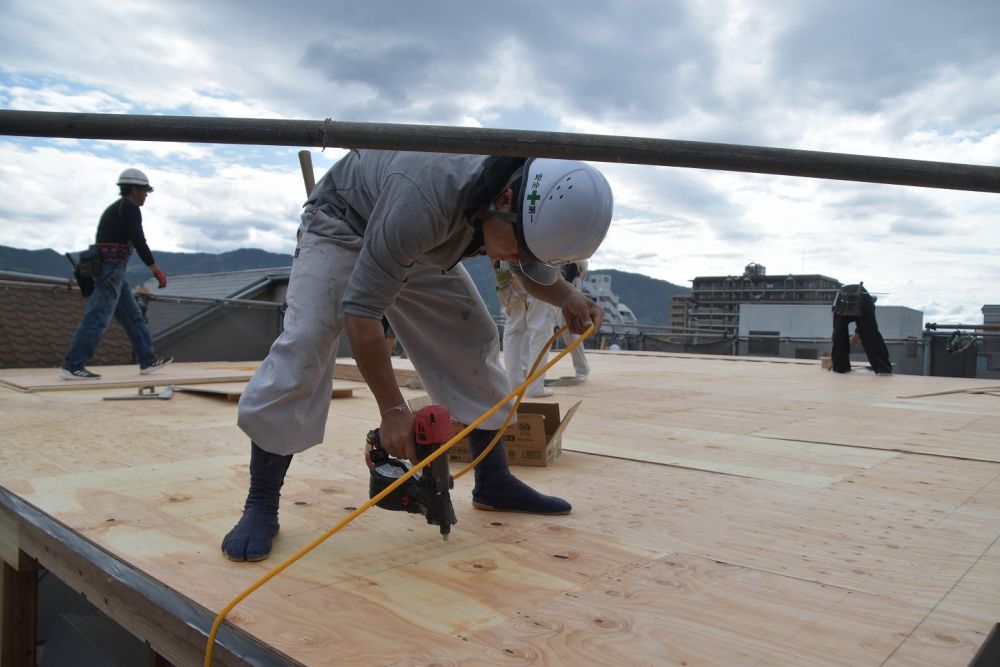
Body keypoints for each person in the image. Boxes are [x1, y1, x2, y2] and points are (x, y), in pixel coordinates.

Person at [222, 151, 613, 562]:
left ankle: (493, 481)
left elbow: (529, 265)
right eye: (520, 249)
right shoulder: (424, 201)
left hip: (422, 239)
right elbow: (362, 313)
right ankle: (261, 503)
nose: (519, 261)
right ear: (504, 199)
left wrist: (569, 295)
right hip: (345, 223)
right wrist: (393, 410)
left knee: (472, 339)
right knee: (306, 342)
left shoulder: (514, 207)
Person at [59, 169, 173, 380]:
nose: (146, 195)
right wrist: (156, 270)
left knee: (133, 316)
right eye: (144, 191)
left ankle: (147, 360)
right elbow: (139, 241)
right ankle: (72, 365)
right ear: (134, 189)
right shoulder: (129, 208)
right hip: (111, 272)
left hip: (113, 271)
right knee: (97, 317)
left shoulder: (117, 208)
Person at [495, 260, 556, 398]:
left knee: (512, 327)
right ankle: (535, 387)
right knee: (541, 328)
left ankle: (514, 385)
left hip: (505, 265)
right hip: (539, 262)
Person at [830, 282, 892, 375]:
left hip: (841, 298)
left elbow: (837, 334)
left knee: (839, 335)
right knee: (871, 335)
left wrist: (839, 345)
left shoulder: (836, 305)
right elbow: (863, 332)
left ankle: (840, 367)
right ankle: (882, 368)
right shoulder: (869, 303)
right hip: (859, 298)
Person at [551, 260, 591, 383]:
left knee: (570, 329)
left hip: (568, 282)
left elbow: (573, 265)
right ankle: (582, 368)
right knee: (566, 330)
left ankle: (582, 369)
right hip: (561, 282)